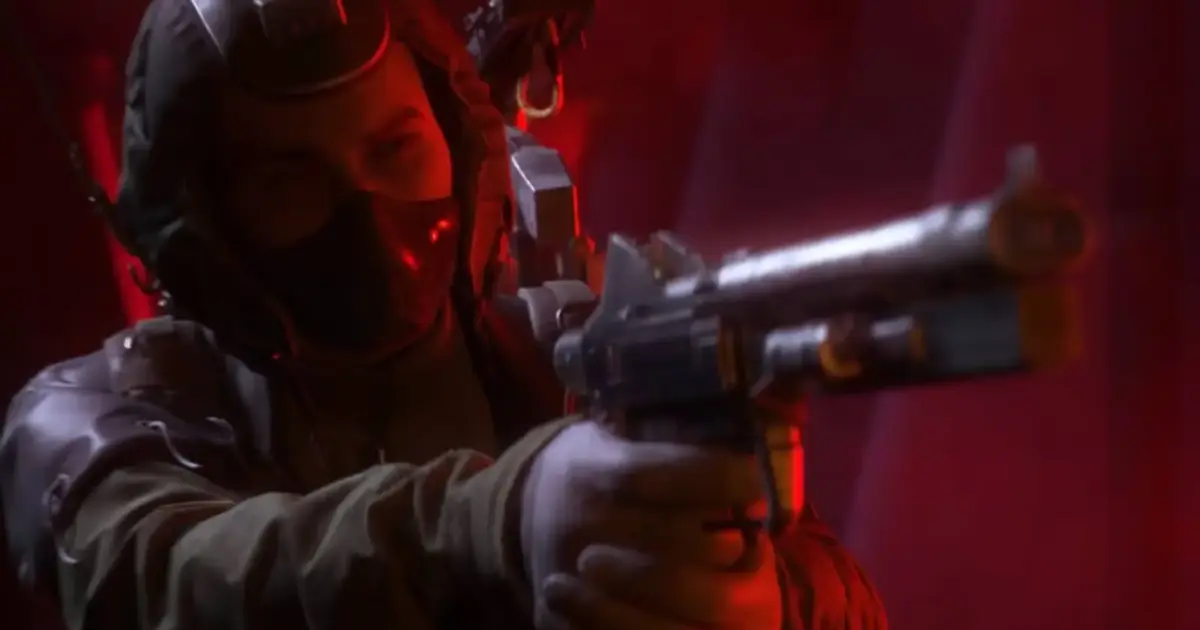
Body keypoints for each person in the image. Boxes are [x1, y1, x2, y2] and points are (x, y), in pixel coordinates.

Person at [0, 0, 886, 628]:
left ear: (455, 145)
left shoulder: (567, 350)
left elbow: (837, 587)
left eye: (396, 148)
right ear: (206, 222)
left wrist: (763, 599)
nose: (366, 208)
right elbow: (168, 579)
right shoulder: (96, 415)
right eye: (289, 181)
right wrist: (495, 524)